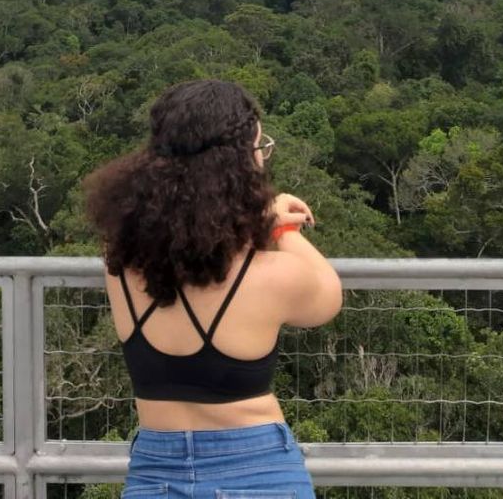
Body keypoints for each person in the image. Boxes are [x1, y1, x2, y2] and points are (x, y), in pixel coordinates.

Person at [82, 78, 343, 499]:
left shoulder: (120, 260)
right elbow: (327, 297)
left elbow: (188, 248)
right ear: (241, 163)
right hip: (258, 470)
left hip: (154, 472)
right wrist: (283, 227)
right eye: (260, 148)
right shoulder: (271, 274)